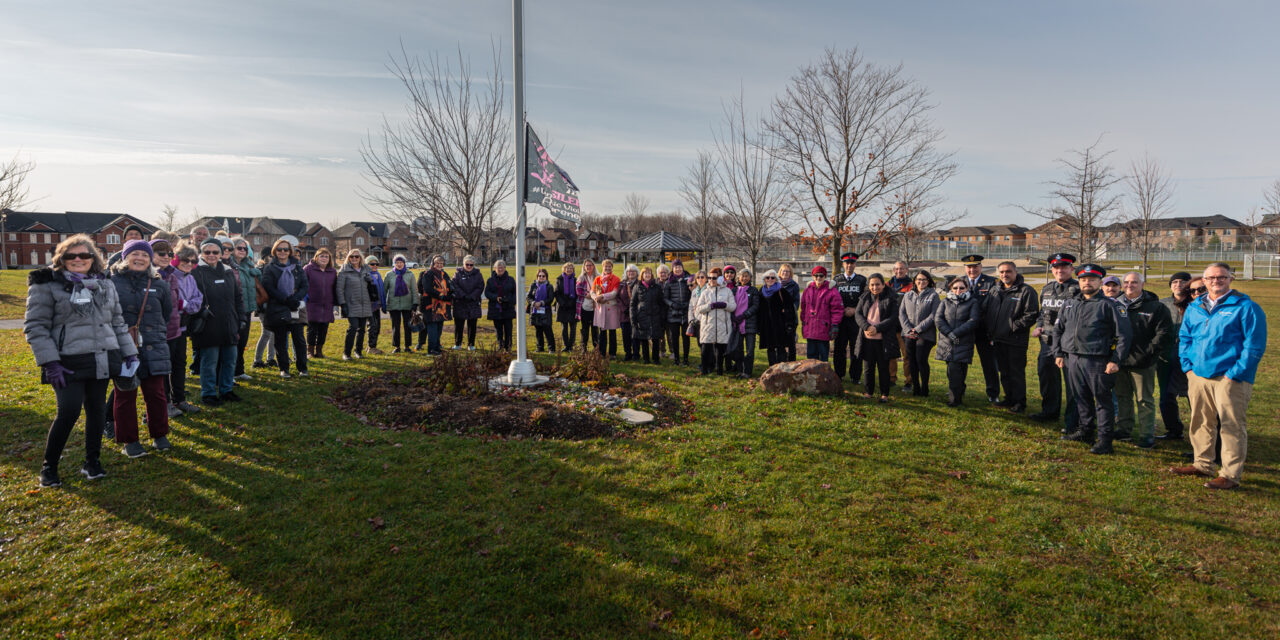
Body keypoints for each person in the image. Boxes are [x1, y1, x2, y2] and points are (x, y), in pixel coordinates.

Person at [26, 235, 139, 487]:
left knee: (97, 411)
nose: (78, 260)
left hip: (102, 356)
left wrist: (129, 352)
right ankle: (49, 466)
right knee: (68, 411)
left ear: (93, 258)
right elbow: (36, 327)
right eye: (71, 256)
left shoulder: (105, 285)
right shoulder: (47, 285)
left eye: (84, 255)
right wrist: (50, 362)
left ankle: (92, 461)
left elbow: (118, 322)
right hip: (67, 361)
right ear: (61, 259)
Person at [1170, 263, 1268, 490]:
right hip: (1199, 376)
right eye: (1211, 277)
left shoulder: (1246, 307)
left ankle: (1230, 474)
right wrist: (1188, 368)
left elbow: (1254, 346)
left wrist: (1235, 373)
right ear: (1204, 281)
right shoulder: (1195, 307)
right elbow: (1185, 338)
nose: (1216, 281)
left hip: (1230, 378)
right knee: (1201, 421)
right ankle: (1202, 463)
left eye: (1221, 277)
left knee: (1231, 425)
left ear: (1230, 279)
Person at [1053, 264, 1131, 455]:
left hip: (1097, 360)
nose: (1087, 283)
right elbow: (1058, 329)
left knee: (1102, 401)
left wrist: (1115, 360)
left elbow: (1124, 336)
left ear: (1100, 282)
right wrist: (1058, 353)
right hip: (1072, 358)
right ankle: (1086, 431)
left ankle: (1105, 440)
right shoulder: (1070, 303)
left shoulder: (1110, 305)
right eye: (1083, 279)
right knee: (1080, 397)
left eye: (1092, 279)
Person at [109, 239, 175, 458]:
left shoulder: (159, 284)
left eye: (145, 255)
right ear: (125, 257)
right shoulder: (112, 283)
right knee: (125, 395)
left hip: (154, 345)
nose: (140, 258)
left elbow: (166, 314)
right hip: (124, 348)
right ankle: (130, 440)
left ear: (150, 259)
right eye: (135, 253)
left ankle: (159, 434)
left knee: (156, 394)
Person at [1113, 271, 1173, 448]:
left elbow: (1163, 333)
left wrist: (1148, 353)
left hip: (1143, 362)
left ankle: (1146, 435)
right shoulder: (1115, 304)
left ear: (1142, 284)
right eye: (1126, 282)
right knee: (1122, 397)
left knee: (1144, 400)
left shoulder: (1155, 307)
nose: (1129, 286)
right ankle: (1124, 430)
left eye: (1134, 282)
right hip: (1118, 361)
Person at [189, 238, 246, 406]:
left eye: (215, 252)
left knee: (230, 359)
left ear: (222, 253)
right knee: (210, 361)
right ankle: (208, 393)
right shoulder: (196, 272)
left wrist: (241, 318)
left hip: (229, 323)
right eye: (207, 252)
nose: (212, 255)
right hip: (208, 324)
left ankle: (226, 390)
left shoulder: (229, 271)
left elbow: (238, 297)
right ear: (201, 253)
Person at [1030, 253, 1080, 430]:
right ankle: (1050, 412)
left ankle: (1073, 421)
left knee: (1073, 384)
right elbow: (1043, 313)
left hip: (1069, 344)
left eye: (1064, 267)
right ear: (1052, 269)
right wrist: (1038, 326)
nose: (1060, 270)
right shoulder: (1047, 288)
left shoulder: (1078, 289)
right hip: (1047, 342)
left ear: (1071, 269)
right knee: (1047, 377)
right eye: (1056, 267)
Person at [981, 261, 1039, 413]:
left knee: (1016, 372)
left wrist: (1012, 327)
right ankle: (1009, 398)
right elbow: (987, 311)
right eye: (1001, 272)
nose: (1004, 275)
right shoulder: (995, 290)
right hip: (998, 339)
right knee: (1004, 372)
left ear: (1015, 272)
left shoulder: (1026, 291)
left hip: (1015, 340)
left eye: (1008, 271)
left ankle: (1020, 402)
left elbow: (1031, 315)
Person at [259, 238, 310, 378]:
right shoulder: (270, 267)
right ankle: (284, 368)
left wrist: (295, 298)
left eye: (285, 249)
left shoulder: (298, 267)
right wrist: (286, 299)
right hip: (278, 307)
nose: (282, 252)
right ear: (274, 251)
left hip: (296, 306)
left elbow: (304, 285)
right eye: (279, 249)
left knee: (299, 339)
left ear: (290, 251)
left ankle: (302, 368)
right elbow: (268, 287)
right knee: (280, 341)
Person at [149, 239, 185, 419]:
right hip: (157, 333)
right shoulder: (149, 276)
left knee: (178, 365)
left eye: (169, 254)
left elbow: (176, 302)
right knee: (162, 371)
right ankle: (166, 403)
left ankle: (180, 398)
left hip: (175, 330)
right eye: (161, 253)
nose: (165, 257)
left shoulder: (172, 275)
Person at [1156, 272, 1193, 440]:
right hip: (1166, 354)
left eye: (1182, 281)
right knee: (1166, 394)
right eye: (1175, 282)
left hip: (1191, 355)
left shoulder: (1197, 303)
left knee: (1194, 395)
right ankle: (1173, 429)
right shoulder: (1161, 304)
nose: (1178, 284)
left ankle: (1201, 433)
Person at [934, 278, 981, 407]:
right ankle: (959, 389)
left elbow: (973, 320)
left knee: (956, 369)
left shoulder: (973, 302)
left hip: (963, 341)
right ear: (951, 289)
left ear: (967, 289)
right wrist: (949, 333)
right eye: (955, 288)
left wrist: (956, 333)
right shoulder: (945, 301)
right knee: (953, 370)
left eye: (961, 288)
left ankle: (955, 400)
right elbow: (938, 319)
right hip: (947, 342)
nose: (958, 290)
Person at [960, 254, 1000, 403]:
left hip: (984, 331)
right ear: (965, 268)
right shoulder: (959, 282)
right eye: (969, 267)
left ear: (981, 267)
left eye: (975, 266)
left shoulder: (991, 282)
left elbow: (994, 308)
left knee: (989, 363)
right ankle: (958, 389)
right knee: (960, 361)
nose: (972, 269)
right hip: (964, 330)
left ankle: (993, 393)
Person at [855, 274, 900, 402]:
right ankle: (868, 392)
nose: (875, 287)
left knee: (883, 367)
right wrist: (867, 327)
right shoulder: (864, 297)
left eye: (877, 284)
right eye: (872, 285)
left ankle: (884, 394)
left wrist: (877, 328)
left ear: (883, 284)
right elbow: (858, 314)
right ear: (868, 286)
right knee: (868, 367)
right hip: (867, 338)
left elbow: (893, 318)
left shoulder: (891, 298)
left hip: (883, 339)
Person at [899, 270, 939, 397]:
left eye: (924, 280)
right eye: (919, 280)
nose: (921, 282)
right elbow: (902, 313)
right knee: (911, 361)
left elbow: (934, 315)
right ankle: (915, 387)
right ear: (915, 281)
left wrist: (918, 329)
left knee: (921, 359)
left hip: (925, 335)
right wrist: (908, 329)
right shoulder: (908, 295)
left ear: (929, 281)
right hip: (909, 334)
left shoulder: (933, 295)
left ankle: (925, 388)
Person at [832, 252, 867, 383]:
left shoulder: (862, 280)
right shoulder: (836, 279)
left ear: (855, 264)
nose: (849, 265)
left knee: (856, 348)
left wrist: (855, 310)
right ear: (843, 264)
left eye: (852, 263)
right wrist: (842, 310)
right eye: (847, 263)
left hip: (856, 320)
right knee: (839, 348)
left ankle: (855, 376)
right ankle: (839, 374)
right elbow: (833, 299)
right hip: (840, 319)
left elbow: (865, 299)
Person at [694, 268, 736, 374]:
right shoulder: (705, 292)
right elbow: (699, 308)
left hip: (723, 325)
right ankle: (704, 370)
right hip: (708, 325)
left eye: (714, 278)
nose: (711, 280)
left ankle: (720, 370)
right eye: (709, 277)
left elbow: (733, 307)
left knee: (721, 350)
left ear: (720, 278)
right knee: (705, 350)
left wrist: (725, 305)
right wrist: (710, 306)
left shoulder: (727, 291)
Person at [335, 249, 376, 360]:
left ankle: (358, 351)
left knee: (362, 329)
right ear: (348, 258)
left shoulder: (366, 270)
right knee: (353, 327)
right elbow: (339, 289)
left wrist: (370, 281)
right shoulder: (344, 271)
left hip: (365, 303)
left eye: (356, 257)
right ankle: (346, 353)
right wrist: (342, 304)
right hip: (351, 303)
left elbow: (371, 287)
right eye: (351, 256)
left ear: (360, 258)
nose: (354, 258)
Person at [230, 238, 261, 380]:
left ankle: (239, 370)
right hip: (234, 310)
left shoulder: (249, 266)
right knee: (233, 342)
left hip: (247, 309)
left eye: (244, 248)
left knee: (243, 341)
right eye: (239, 248)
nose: (242, 250)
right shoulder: (229, 266)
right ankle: (229, 372)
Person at [800, 265, 842, 362]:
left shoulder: (832, 291)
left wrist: (835, 324)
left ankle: (823, 377)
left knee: (823, 358)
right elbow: (803, 308)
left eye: (821, 276)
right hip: (810, 328)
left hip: (824, 329)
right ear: (813, 276)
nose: (818, 278)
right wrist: (803, 322)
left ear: (825, 277)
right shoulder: (807, 290)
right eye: (816, 275)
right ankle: (811, 376)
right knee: (810, 358)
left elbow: (837, 309)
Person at [758, 269, 798, 366]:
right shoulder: (761, 291)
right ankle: (772, 368)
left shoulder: (782, 291)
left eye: (773, 277)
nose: (770, 279)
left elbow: (790, 308)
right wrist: (759, 326)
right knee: (770, 347)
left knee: (781, 347)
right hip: (767, 324)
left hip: (780, 324)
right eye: (768, 277)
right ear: (764, 279)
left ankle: (781, 368)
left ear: (776, 279)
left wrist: (789, 324)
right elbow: (759, 310)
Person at [303, 248, 337, 358]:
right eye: (321, 256)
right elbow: (302, 285)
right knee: (312, 329)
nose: (324, 258)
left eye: (326, 256)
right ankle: (310, 352)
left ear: (329, 259)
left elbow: (335, 288)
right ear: (316, 257)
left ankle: (319, 351)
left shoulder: (332, 271)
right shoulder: (308, 269)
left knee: (323, 329)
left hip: (327, 304)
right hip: (312, 303)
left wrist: (335, 304)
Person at [887, 260, 914, 390]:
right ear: (894, 270)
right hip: (891, 327)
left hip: (905, 327)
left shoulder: (912, 286)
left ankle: (909, 381)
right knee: (891, 355)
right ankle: (891, 379)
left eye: (902, 269)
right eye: (897, 269)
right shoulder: (887, 285)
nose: (899, 271)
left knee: (907, 355)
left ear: (906, 270)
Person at [629, 266, 665, 363]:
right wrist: (633, 318)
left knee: (655, 338)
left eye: (649, 273)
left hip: (655, 316)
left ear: (652, 275)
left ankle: (656, 358)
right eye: (645, 273)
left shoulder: (657, 287)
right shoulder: (637, 287)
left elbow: (661, 303)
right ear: (642, 275)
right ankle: (646, 359)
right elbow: (633, 304)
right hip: (642, 316)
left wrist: (662, 316)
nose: (647, 275)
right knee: (644, 338)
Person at [662, 259, 694, 365]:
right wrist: (672, 304)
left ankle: (686, 359)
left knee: (686, 337)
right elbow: (665, 298)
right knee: (674, 337)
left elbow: (692, 294)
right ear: (673, 268)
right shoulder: (669, 281)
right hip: (673, 314)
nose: (678, 269)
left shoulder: (688, 280)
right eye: (676, 267)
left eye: (679, 267)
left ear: (682, 267)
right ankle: (676, 359)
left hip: (685, 313)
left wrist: (687, 303)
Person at [385, 255, 420, 353]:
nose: (399, 264)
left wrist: (415, 303)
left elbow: (414, 290)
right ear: (394, 263)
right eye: (397, 262)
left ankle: (407, 346)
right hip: (393, 304)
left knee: (407, 326)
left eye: (401, 262)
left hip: (407, 304)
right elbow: (384, 290)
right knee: (395, 326)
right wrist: (383, 304)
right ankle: (397, 346)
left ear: (404, 263)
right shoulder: (389, 275)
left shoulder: (410, 274)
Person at [420, 255, 453, 355]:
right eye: (437, 263)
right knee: (432, 328)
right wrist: (441, 295)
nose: (439, 265)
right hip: (431, 306)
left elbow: (450, 286)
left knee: (439, 327)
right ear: (433, 263)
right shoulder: (428, 274)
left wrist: (451, 294)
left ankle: (437, 347)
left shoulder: (444, 274)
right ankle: (431, 349)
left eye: (441, 263)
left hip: (442, 307)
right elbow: (428, 288)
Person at [732, 268, 761, 378]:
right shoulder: (734, 290)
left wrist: (744, 315)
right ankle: (740, 370)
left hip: (750, 324)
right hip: (737, 324)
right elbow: (730, 305)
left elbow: (756, 306)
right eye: (742, 276)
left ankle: (747, 372)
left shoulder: (754, 290)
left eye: (746, 276)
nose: (744, 278)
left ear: (750, 278)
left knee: (750, 349)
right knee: (738, 349)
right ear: (738, 278)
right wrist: (733, 317)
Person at [591, 259, 623, 357]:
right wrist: (595, 298)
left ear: (612, 267)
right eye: (606, 266)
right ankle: (602, 352)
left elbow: (615, 292)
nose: (607, 268)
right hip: (601, 307)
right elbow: (592, 291)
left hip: (611, 307)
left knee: (612, 331)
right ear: (602, 267)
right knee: (602, 331)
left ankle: (613, 353)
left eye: (609, 266)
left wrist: (603, 296)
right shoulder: (597, 279)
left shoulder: (616, 279)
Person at [451, 255, 484, 350]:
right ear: (463, 264)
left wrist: (472, 296)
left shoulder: (478, 274)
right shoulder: (457, 274)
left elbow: (480, 286)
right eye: (467, 264)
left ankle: (471, 344)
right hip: (460, 302)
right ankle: (458, 344)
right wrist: (463, 295)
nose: (469, 266)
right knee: (459, 325)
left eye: (471, 264)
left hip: (473, 302)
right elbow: (455, 285)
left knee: (472, 325)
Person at [485, 259, 516, 351]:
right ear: (495, 268)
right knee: (498, 329)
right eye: (498, 267)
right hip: (495, 308)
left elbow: (515, 293)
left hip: (508, 308)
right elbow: (487, 293)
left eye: (502, 267)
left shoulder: (511, 280)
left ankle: (508, 346)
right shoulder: (490, 280)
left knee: (508, 328)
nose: (500, 269)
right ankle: (500, 345)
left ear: (505, 268)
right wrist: (496, 297)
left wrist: (510, 300)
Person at [528, 268, 556, 352]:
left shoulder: (549, 286)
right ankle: (540, 348)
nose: (541, 277)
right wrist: (533, 303)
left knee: (548, 330)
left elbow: (551, 298)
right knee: (538, 330)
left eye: (543, 276)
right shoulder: (533, 285)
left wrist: (541, 303)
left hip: (545, 311)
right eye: (539, 276)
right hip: (535, 311)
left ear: (546, 277)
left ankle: (551, 349)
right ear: (537, 276)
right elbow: (528, 297)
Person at [777, 263, 801, 361]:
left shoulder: (794, 285)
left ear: (790, 273)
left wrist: (788, 310)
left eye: (787, 271)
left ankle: (792, 363)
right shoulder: (776, 284)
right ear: (780, 272)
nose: (785, 273)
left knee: (791, 344)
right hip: (778, 318)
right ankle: (781, 363)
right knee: (780, 343)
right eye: (783, 271)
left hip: (790, 318)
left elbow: (796, 302)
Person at [554, 262, 578, 351]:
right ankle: (566, 345)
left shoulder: (576, 280)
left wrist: (572, 302)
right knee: (564, 328)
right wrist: (562, 302)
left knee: (573, 327)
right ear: (564, 269)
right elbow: (556, 293)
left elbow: (578, 293)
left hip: (573, 306)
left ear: (573, 270)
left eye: (571, 268)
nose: (569, 270)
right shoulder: (559, 279)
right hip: (562, 306)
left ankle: (571, 346)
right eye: (567, 268)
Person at [576, 259, 599, 352]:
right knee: (584, 328)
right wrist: (588, 295)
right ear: (584, 267)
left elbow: (601, 289)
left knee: (595, 328)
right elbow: (578, 291)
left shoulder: (598, 277)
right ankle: (583, 348)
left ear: (593, 266)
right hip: (584, 306)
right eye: (587, 265)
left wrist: (593, 295)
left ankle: (596, 347)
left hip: (595, 306)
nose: (588, 267)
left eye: (590, 265)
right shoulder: (581, 278)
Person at [619, 264, 641, 361]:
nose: (631, 273)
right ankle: (628, 353)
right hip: (624, 314)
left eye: (633, 271)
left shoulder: (639, 284)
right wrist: (624, 308)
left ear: (636, 273)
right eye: (629, 271)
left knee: (635, 334)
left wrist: (634, 309)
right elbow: (618, 298)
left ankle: (636, 354)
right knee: (625, 335)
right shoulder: (622, 284)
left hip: (636, 314)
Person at [365, 256, 385, 355]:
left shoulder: (378, 275)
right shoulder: (366, 275)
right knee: (372, 326)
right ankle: (371, 347)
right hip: (370, 305)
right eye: (372, 264)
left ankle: (372, 346)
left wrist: (383, 304)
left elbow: (381, 291)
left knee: (377, 326)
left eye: (376, 264)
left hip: (377, 305)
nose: (375, 266)